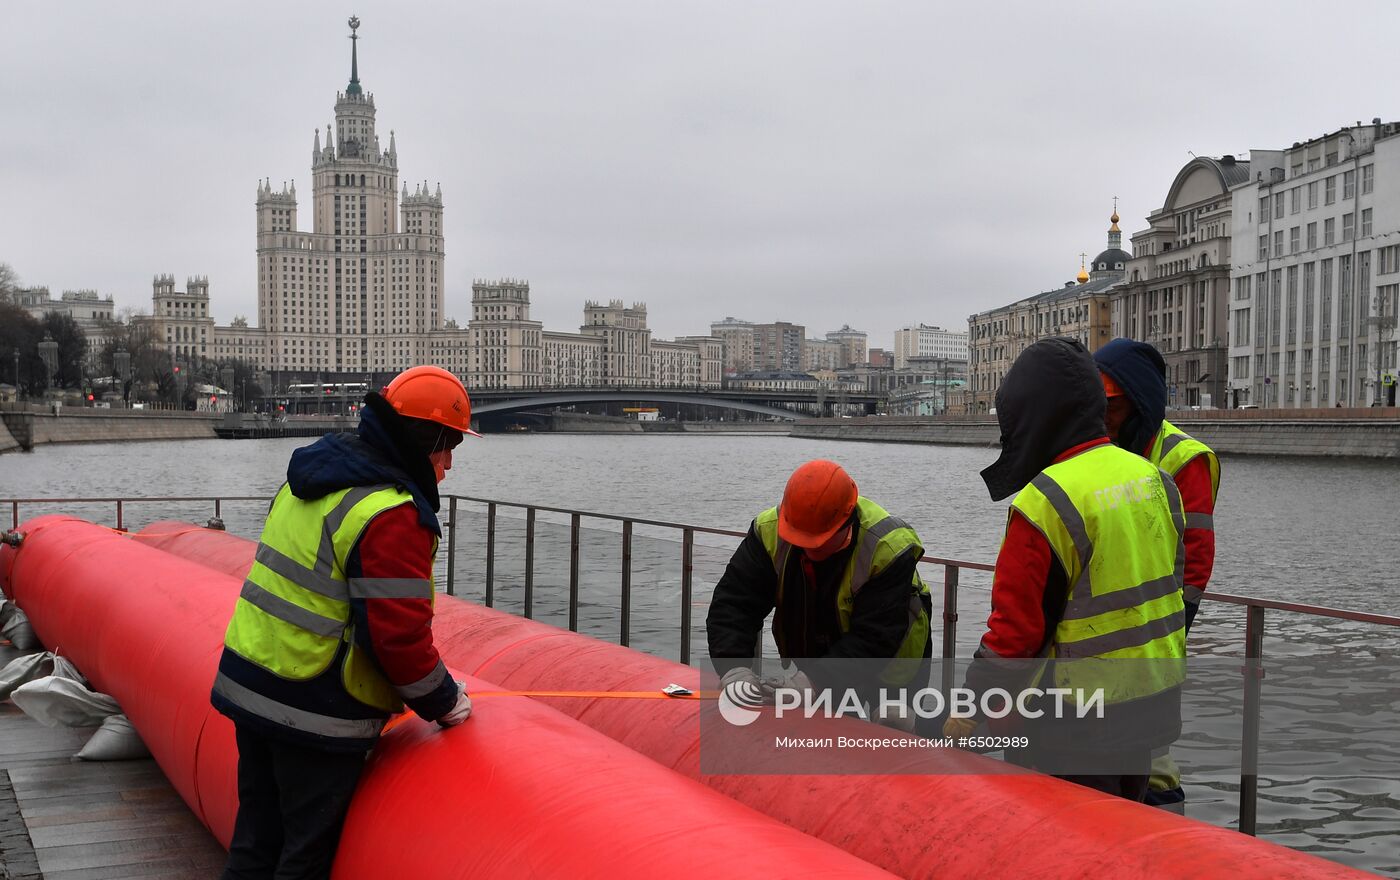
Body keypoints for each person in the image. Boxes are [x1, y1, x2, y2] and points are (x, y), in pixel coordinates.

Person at [211, 365, 477, 879]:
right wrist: (446, 701)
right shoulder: (391, 513)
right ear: (428, 442)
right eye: (450, 449)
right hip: (315, 709)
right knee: (304, 858)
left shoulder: (308, 480)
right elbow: (395, 638)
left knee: (254, 843)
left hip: (251, 683)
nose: (449, 465)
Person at [948, 338, 1187, 801]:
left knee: (1067, 848)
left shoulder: (1046, 501)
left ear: (1033, 417)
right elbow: (1173, 580)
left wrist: (970, 709)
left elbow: (1015, 635)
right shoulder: (1154, 478)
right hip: (1150, 705)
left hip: (1074, 723)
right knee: (1126, 835)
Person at [706, 460, 932, 726]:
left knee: (893, 724)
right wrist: (734, 669)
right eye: (800, 540)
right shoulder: (769, 531)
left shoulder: (888, 546)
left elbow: (875, 637)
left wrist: (811, 682)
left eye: (818, 542)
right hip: (822, 646)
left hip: (892, 660)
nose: (808, 550)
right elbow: (734, 604)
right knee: (822, 733)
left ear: (846, 523)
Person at [1095, 337, 1220, 811]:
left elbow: (1196, 558)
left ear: (1138, 400)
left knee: (1150, 747)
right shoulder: (1104, 444)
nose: (1102, 413)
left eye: (1112, 404)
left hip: (1152, 633)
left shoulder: (1182, 458)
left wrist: (1168, 631)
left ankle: (1164, 822)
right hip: (1095, 623)